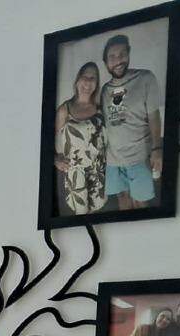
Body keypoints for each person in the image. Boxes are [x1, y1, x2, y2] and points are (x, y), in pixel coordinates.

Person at [100, 34, 164, 210]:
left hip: (139, 157)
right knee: (122, 199)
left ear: (128, 54)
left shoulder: (145, 78)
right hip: (113, 160)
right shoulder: (105, 90)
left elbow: (154, 116)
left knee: (141, 202)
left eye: (122, 54)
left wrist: (157, 149)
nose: (118, 60)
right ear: (106, 62)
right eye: (112, 57)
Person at [54, 61, 107, 215]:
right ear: (77, 80)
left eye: (93, 78)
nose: (88, 82)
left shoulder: (100, 108)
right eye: (85, 77)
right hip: (76, 175)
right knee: (81, 216)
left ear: (97, 83)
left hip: (98, 173)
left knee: (97, 215)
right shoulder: (65, 110)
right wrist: (55, 158)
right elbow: (47, 138)